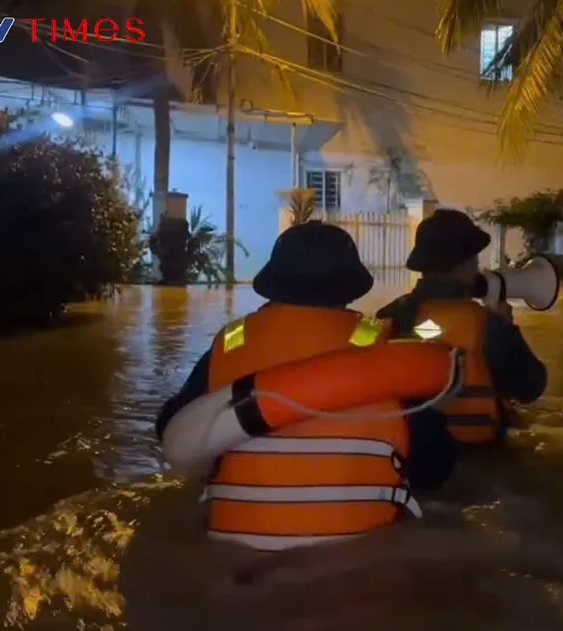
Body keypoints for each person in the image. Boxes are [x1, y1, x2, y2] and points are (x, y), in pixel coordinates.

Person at [155, 221, 457, 552]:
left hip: (234, 552)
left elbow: (170, 427)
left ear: (272, 284)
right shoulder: (381, 342)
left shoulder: (231, 340)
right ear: (351, 290)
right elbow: (434, 466)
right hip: (359, 555)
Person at [376, 208, 547, 444]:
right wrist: (508, 327)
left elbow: (354, 351)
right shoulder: (491, 325)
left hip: (408, 448)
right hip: (480, 450)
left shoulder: (384, 315)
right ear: (465, 265)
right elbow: (531, 387)